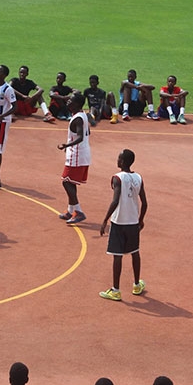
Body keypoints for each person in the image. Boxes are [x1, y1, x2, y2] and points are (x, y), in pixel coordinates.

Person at [99, 149, 147, 301]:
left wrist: (105, 219)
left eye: (119, 158)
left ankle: (115, 290)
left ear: (123, 162)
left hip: (119, 221)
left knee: (117, 255)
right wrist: (140, 219)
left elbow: (115, 201)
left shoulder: (117, 178)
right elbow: (145, 203)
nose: (117, 160)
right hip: (133, 222)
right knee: (135, 252)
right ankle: (137, 284)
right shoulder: (138, 177)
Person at [57, 93, 91, 226]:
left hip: (77, 155)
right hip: (80, 153)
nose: (68, 100)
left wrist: (67, 145)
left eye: (71, 100)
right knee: (71, 182)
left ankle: (78, 211)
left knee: (66, 181)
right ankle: (70, 211)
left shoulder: (77, 119)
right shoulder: (83, 115)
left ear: (77, 104)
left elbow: (81, 137)